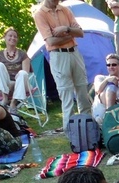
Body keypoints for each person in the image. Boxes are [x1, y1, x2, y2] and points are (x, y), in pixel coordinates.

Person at [31, 0, 93, 128]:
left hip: (74, 53)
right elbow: (51, 41)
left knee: (82, 90)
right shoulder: (40, 14)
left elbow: (80, 32)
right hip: (58, 55)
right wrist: (71, 35)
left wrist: (66, 29)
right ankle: (70, 130)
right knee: (66, 94)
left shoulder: (65, 10)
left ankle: (87, 126)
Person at [0, 28, 33, 113]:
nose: (13, 38)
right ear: (5, 38)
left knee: (22, 73)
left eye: (15, 36)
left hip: (21, 84)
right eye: (10, 36)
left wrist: (13, 84)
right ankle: (5, 98)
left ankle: (13, 103)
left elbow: (26, 74)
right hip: (5, 84)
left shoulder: (23, 54)